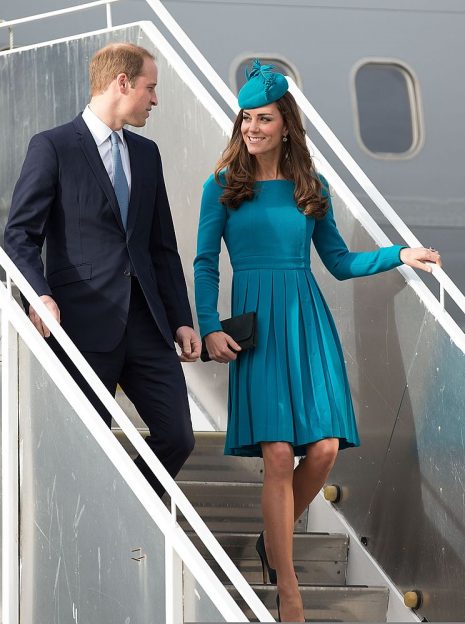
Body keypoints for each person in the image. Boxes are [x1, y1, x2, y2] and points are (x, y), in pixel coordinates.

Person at [193, 59, 441, 621]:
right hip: (258, 325)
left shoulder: (312, 186)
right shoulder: (222, 186)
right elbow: (205, 263)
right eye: (245, 119)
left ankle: (270, 540)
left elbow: (338, 261)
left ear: (286, 125)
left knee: (324, 449)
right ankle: (290, 593)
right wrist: (209, 325)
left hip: (305, 321)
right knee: (279, 454)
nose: (251, 128)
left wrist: (399, 254)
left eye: (263, 119)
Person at [4, 42, 201, 497]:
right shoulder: (52, 146)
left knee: (178, 437)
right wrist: (40, 294)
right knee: (85, 443)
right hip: (79, 323)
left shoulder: (147, 154)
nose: (155, 99)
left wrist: (181, 319)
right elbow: (19, 236)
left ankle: (125, 503)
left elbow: (161, 248)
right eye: (150, 88)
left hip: (148, 325)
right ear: (123, 83)